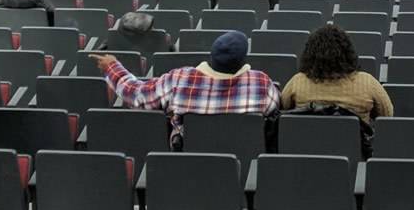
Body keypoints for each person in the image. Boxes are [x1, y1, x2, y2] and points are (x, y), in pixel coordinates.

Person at [92, 30, 280, 147]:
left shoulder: (180, 80)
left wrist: (112, 67)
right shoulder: (262, 84)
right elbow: (275, 109)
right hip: (247, 171)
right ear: (242, 61)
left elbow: (136, 96)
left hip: (187, 169)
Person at [280, 24, 396, 122]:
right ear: (348, 53)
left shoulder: (297, 82)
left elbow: (283, 109)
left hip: (304, 148)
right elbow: (387, 115)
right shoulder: (367, 83)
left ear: (309, 55)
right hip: (356, 148)